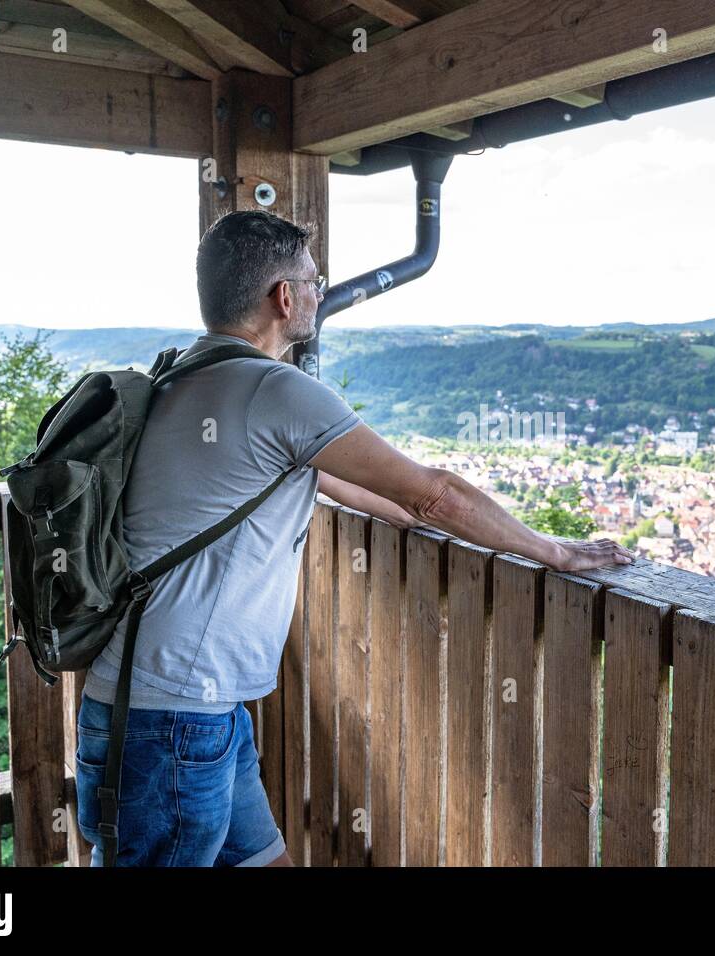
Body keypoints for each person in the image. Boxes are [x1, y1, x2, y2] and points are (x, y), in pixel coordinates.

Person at [74, 209, 634, 866]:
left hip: (178, 705)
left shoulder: (178, 375)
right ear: (285, 298)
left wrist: (410, 513)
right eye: (313, 280)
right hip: (169, 722)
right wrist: (554, 550)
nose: (318, 290)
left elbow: (368, 490)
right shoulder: (276, 390)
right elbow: (433, 491)